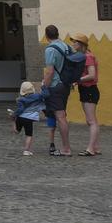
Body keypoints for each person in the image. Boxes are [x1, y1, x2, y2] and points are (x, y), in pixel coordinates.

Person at [42, 24, 73, 156]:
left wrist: (45, 87)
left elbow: (49, 71)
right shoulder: (66, 46)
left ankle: (66, 148)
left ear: (46, 35)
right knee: (62, 115)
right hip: (66, 84)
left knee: (60, 117)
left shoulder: (50, 49)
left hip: (55, 85)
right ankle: (65, 146)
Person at [71, 33, 102, 156]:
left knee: (91, 121)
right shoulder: (83, 56)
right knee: (91, 120)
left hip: (89, 90)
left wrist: (77, 80)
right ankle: (96, 147)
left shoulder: (88, 57)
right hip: (86, 89)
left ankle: (90, 149)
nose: (73, 44)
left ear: (81, 44)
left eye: (75, 42)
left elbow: (92, 75)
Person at [12, 81, 47, 155]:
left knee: (17, 131)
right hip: (29, 119)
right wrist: (43, 86)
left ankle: (14, 123)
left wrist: (14, 114)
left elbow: (20, 110)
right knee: (29, 135)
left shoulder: (20, 99)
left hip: (20, 117)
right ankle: (26, 150)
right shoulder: (37, 96)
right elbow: (46, 94)